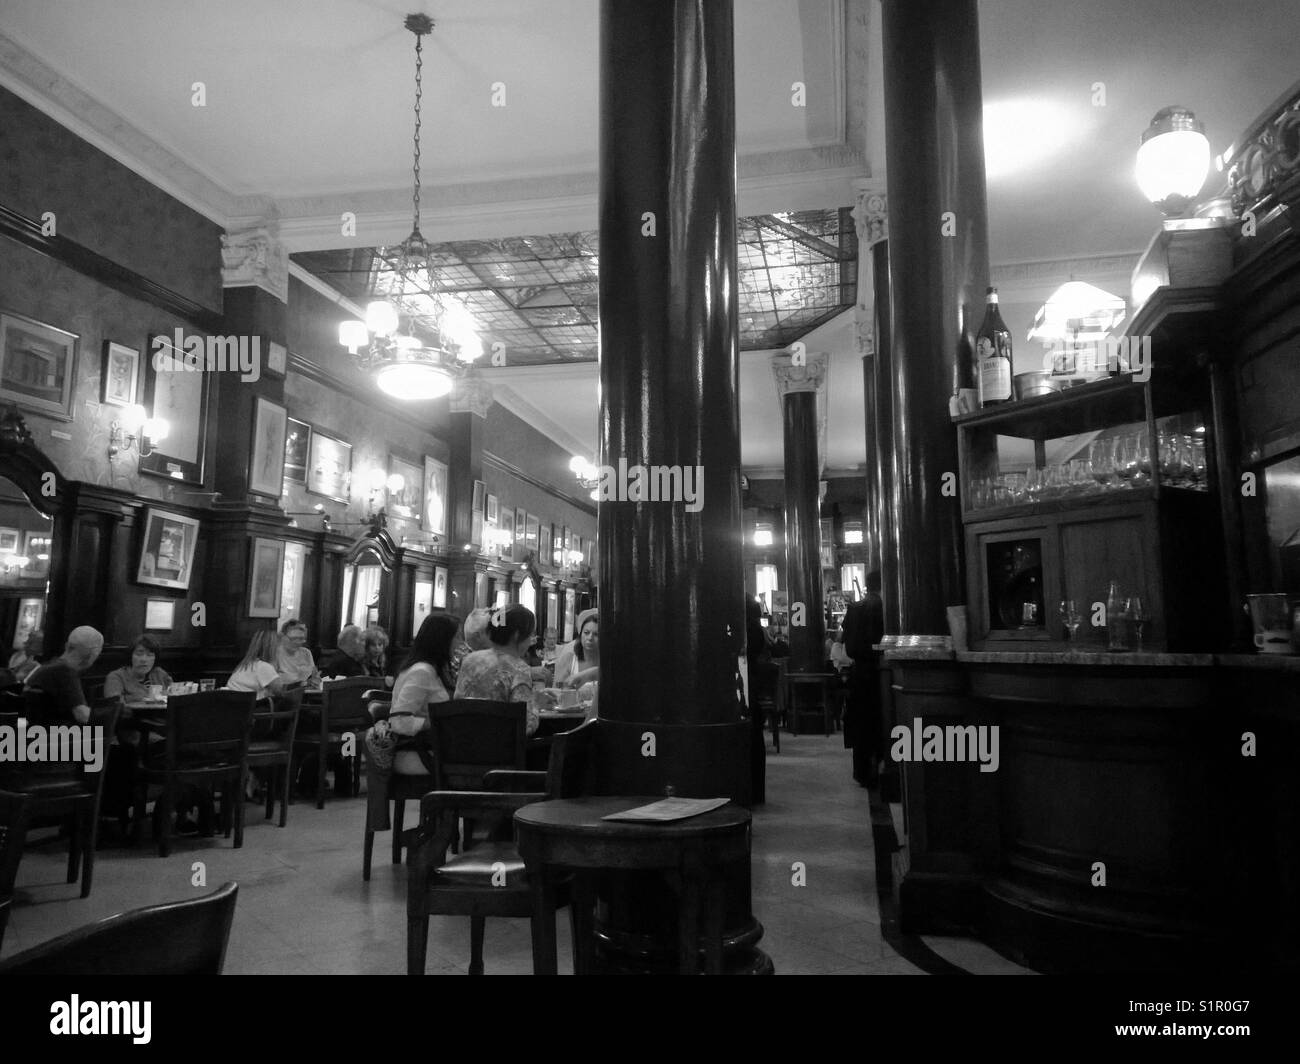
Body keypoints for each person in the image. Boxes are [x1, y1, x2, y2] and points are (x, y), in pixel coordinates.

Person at [454, 605, 549, 736]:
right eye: (530, 634)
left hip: (460, 744)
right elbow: (526, 725)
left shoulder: (469, 660)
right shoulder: (519, 668)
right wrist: (536, 705)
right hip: (498, 749)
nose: (531, 641)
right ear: (517, 636)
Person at [841, 570, 886, 787]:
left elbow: (846, 639)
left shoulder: (855, 608)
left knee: (860, 722)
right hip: (879, 672)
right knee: (877, 722)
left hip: (858, 671)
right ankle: (878, 769)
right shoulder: (883, 607)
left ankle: (861, 771)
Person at [23, 625, 103, 724]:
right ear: (92, 655)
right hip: (52, 736)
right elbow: (82, 716)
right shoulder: (65, 671)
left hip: (31, 733)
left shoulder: (52, 665)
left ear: (67, 646)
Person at [103, 634, 173, 701]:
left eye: (150, 655)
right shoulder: (116, 677)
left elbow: (174, 696)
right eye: (139, 654)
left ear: (155, 658)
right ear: (131, 656)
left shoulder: (159, 673)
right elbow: (114, 704)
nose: (144, 659)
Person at [227, 630, 289, 703]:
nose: (280, 649)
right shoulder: (263, 667)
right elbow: (280, 692)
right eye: (279, 645)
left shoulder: (247, 663)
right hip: (248, 708)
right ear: (272, 648)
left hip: (233, 704)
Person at [554, 608, 599, 689]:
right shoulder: (568, 660)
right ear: (580, 634)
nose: (590, 638)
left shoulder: (608, 663)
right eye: (586, 633)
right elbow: (556, 692)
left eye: (596, 634)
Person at [275, 619, 320, 688]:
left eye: (301, 639)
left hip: (305, 694)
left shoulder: (306, 653)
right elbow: (274, 684)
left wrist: (315, 680)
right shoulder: (274, 653)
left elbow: (314, 676)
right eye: (294, 638)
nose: (298, 642)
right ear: (282, 637)